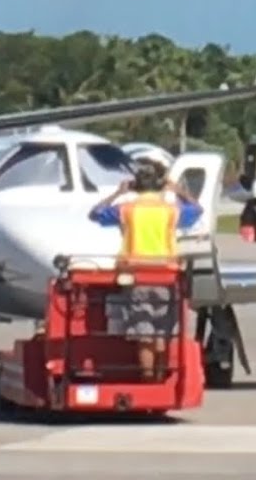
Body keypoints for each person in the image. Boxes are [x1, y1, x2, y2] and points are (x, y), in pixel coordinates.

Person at [87, 159, 203, 381]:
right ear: (160, 186)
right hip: (167, 276)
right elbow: (197, 210)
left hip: (137, 275)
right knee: (162, 333)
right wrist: (179, 191)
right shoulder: (171, 211)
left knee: (144, 333)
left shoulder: (127, 209)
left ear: (135, 186)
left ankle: (147, 379)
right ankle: (161, 379)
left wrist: (118, 193)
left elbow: (96, 214)